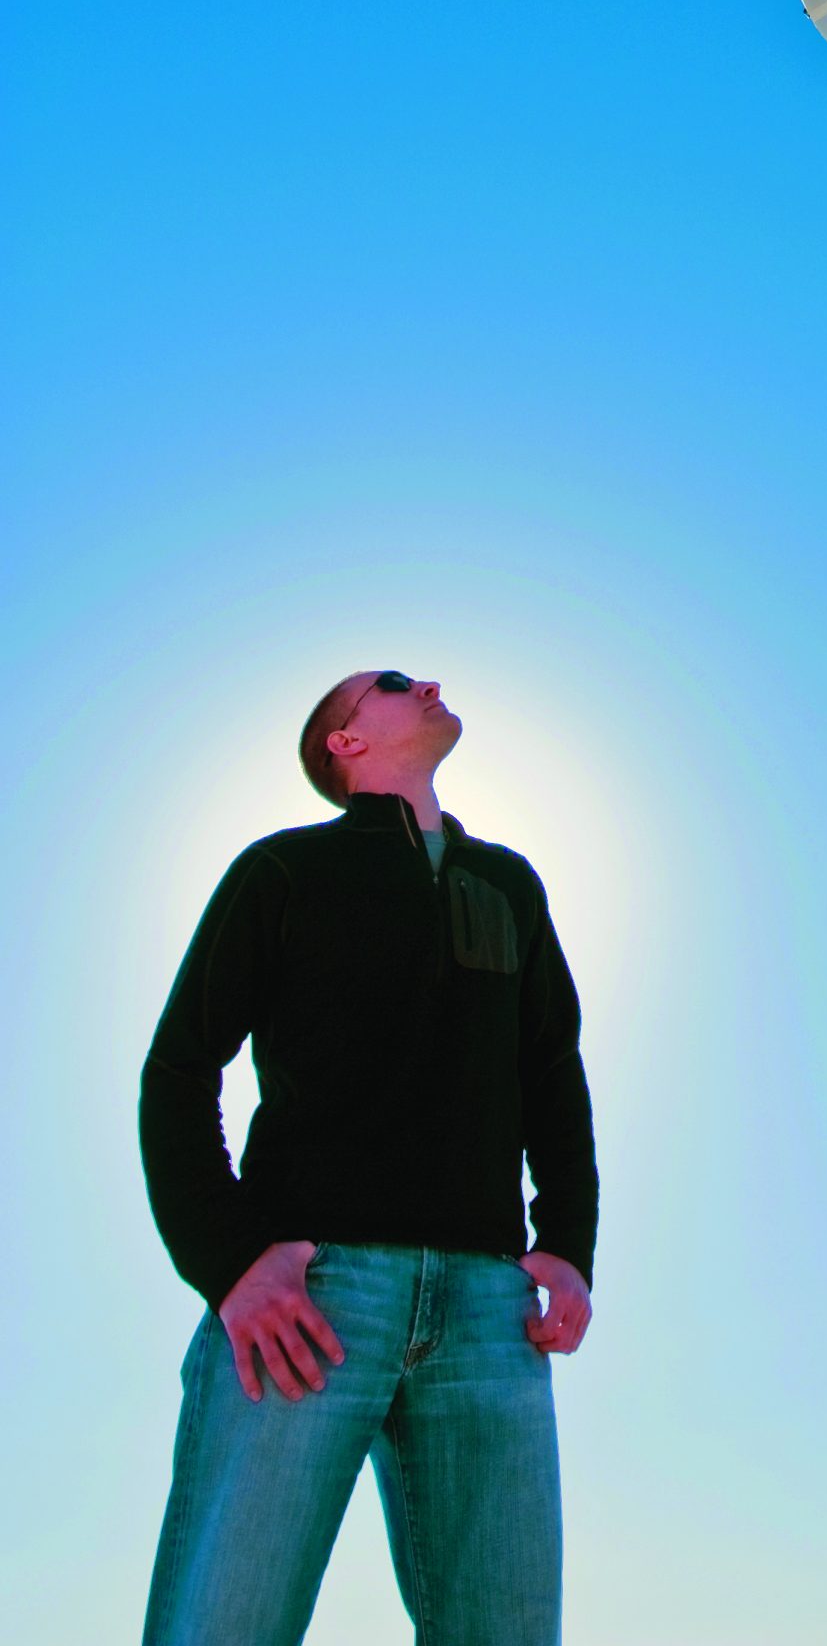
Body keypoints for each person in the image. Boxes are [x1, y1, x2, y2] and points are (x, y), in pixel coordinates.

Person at [138, 668, 597, 1646]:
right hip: (312, 1298)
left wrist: (566, 1240)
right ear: (343, 743)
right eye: (392, 684)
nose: (427, 681)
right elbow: (179, 1069)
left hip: (487, 1310)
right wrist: (228, 1262)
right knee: (226, 1621)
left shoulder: (508, 882)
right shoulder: (283, 872)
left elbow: (550, 1069)